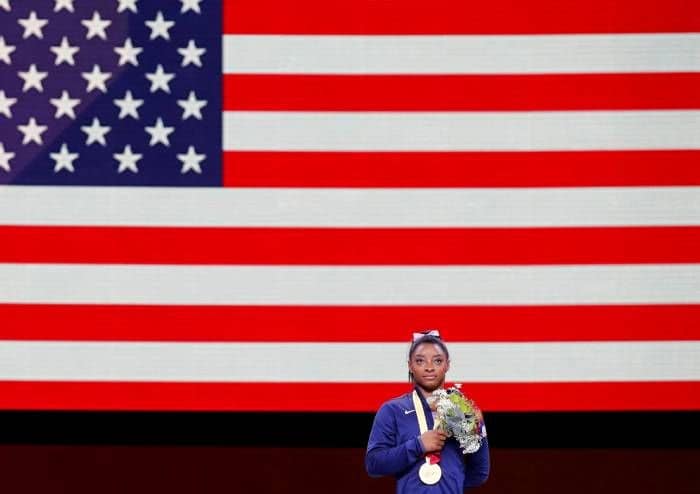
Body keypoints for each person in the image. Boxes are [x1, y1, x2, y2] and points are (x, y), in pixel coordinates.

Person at [365, 331, 490, 492]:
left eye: (437, 361)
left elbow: (480, 473)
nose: (429, 367)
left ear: (447, 365)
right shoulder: (392, 410)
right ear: (410, 365)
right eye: (420, 361)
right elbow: (374, 464)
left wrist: (479, 429)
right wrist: (418, 445)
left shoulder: (461, 411)